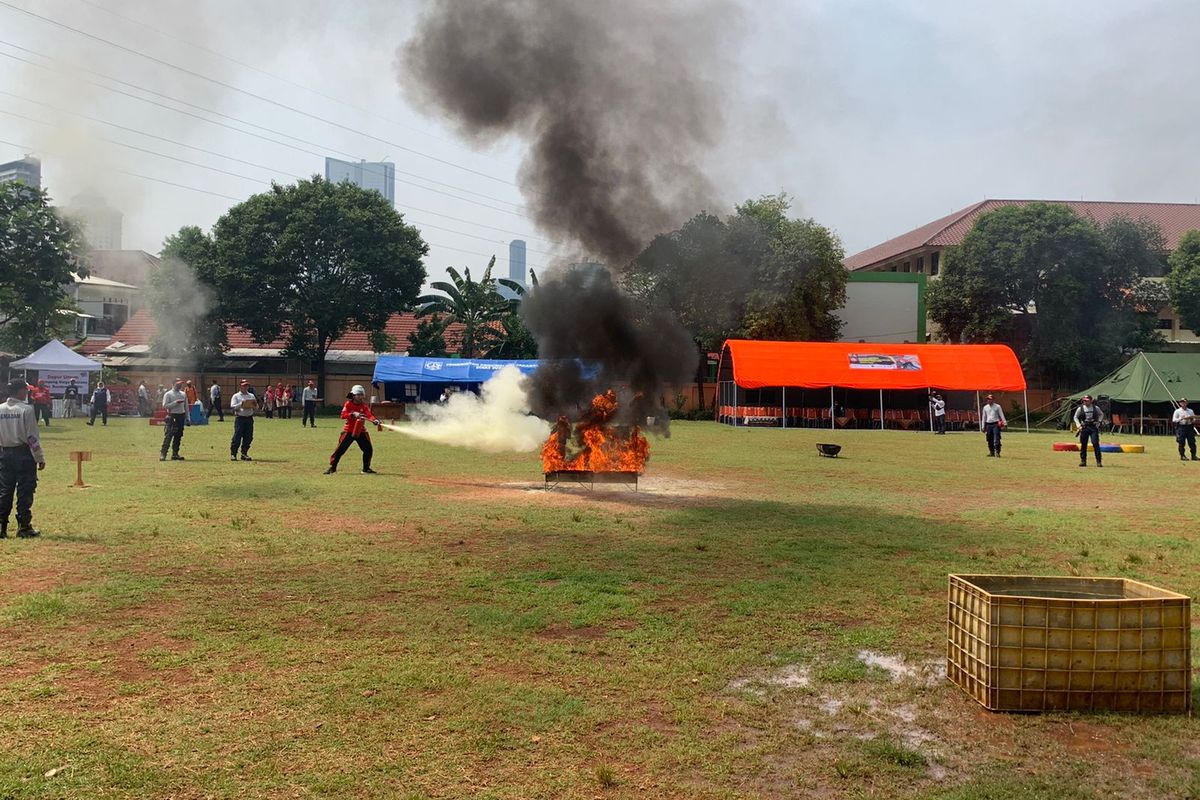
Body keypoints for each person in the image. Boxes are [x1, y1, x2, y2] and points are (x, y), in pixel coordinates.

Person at [0, 379, 46, 538]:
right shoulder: (26, 410)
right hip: (23, 454)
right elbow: (32, 437)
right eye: (25, 390)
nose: (27, 392)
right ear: (20, 391)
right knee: (25, 490)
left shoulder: (0, 409)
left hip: (5, 453)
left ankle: (2, 527)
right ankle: (24, 526)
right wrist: (39, 457)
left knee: (5, 491)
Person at [325, 384, 382, 474]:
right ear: (353, 396)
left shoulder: (364, 406)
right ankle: (333, 467)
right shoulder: (348, 404)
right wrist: (353, 414)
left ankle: (366, 469)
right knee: (340, 449)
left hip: (361, 431)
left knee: (368, 449)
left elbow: (369, 415)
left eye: (361, 395)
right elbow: (343, 415)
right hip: (349, 431)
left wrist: (374, 420)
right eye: (358, 395)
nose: (360, 397)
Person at [160, 378, 189, 461]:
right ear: (173, 384)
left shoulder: (183, 394)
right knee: (168, 435)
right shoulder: (168, 394)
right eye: (178, 384)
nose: (179, 386)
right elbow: (165, 406)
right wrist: (175, 403)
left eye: (180, 384)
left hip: (181, 416)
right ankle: (163, 454)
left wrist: (188, 418)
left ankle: (175, 454)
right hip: (172, 416)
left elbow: (186, 407)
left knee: (178, 436)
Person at [1074, 395, 1105, 468]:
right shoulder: (1080, 408)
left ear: (1091, 400)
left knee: (1095, 443)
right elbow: (1075, 417)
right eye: (1084, 400)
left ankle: (1099, 462)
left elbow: (1101, 414)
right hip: (1084, 427)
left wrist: (1099, 422)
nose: (1085, 402)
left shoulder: (1096, 408)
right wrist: (1078, 425)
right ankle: (1083, 461)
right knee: (1083, 444)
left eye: (1087, 400)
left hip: (1093, 427)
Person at [229, 379, 256, 461]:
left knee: (248, 436)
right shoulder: (236, 396)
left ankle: (244, 453)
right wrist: (242, 404)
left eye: (247, 385)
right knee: (237, 436)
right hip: (240, 418)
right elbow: (233, 407)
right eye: (244, 385)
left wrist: (254, 405)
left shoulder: (251, 395)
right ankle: (233, 454)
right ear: (240, 386)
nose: (245, 387)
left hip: (249, 418)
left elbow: (256, 406)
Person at [1172, 398, 1197, 462]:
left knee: (1192, 442)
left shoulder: (1190, 411)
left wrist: (1192, 419)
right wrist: (1180, 418)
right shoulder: (1177, 411)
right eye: (1182, 402)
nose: (1183, 403)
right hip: (1181, 427)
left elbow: (1194, 419)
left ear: (1187, 403)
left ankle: (1193, 455)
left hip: (1189, 427)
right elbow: (1174, 420)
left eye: (1184, 402)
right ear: (1180, 403)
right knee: (1181, 442)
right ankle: (1182, 456)